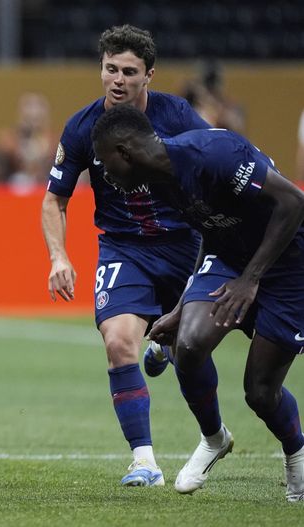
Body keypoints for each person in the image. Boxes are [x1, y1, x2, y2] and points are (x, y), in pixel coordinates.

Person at [91, 103, 304, 501]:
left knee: (259, 391)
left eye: (104, 163)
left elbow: (292, 202)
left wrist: (250, 280)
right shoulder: (159, 181)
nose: (104, 175)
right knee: (186, 345)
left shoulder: (212, 155)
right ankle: (213, 438)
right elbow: (210, 225)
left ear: (124, 152)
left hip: (289, 258)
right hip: (229, 255)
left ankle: (297, 455)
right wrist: (183, 304)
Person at [41, 24, 212, 487]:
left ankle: (212, 431)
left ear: (149, 75)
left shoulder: (178, 117)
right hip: (123, 247)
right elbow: (54, 199)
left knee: (190, 352)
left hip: (183, 247)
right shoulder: (81, 126)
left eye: (129, 71)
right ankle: (144, 461)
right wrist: (59, 256)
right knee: (118, 343)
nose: (118, 79)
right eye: (110, 68)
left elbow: (216, 166)